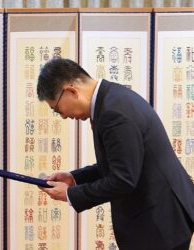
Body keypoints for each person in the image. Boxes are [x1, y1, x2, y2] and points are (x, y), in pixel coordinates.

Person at [37, 58, 194, 250]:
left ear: (71, 91)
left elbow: (123, 179)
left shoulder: (114, 112)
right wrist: (74, 178)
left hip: (159, 222)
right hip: (160, 215)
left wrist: (71, 194)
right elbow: (119, 163)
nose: (62, 116)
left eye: (56, 109)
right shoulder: (112, 98)